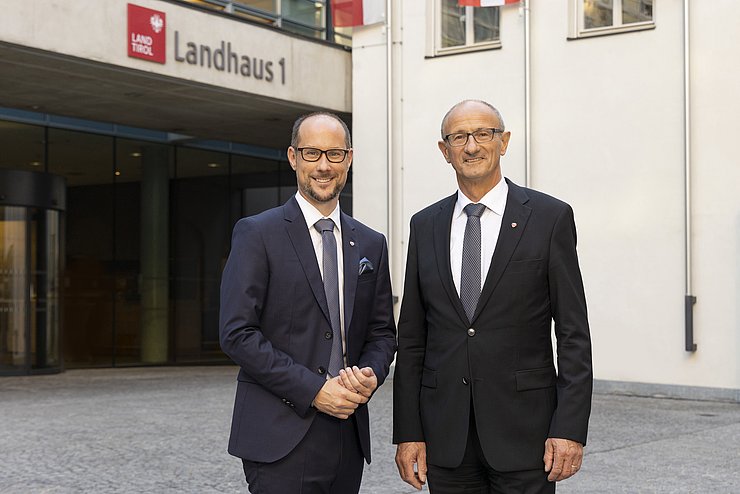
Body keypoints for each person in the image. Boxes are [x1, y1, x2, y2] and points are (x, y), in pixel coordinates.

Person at [393, 100, 593, 493]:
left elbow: (573, 333)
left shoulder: (550, 218)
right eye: (459, 137)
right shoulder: (425, 225)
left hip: (527, 436)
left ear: (504, 141)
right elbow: (412, 338)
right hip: (446, 438)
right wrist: (408, 432)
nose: (472, 146)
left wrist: (569, 428)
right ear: (444, 150)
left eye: (483, 134)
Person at [219, 112, 397, 493]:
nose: (323, 166)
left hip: (348, 435)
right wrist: (315, 390)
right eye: (312, 152)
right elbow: (237, 333)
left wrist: (370, 374)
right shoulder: (257, 233)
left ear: (348, 158)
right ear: (293, 157)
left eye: (334, 154)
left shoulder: (371, 243)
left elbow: (382, 332)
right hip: (280, 436)